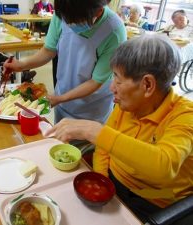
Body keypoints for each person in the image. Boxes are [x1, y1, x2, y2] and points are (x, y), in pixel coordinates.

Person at [46, 34, 193, 224]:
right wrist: (100, 183)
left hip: (153, 205)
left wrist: (94, 132)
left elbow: (164, 166)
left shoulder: (185, 117)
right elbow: (104, 149)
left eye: (118, 79)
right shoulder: (128, 105)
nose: (111, 87)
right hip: (113, 186)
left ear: (147, 84)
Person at [4, 0, 126, 124]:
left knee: (84, 141)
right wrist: (22, 65)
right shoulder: (63, 12)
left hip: (92, 110)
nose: (68, 24)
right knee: (60, 138)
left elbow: (96, 81)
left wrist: (61, 98)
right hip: (63, 99)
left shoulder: (114, 32)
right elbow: (48, 50)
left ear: (99, 11)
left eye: (75, 21)